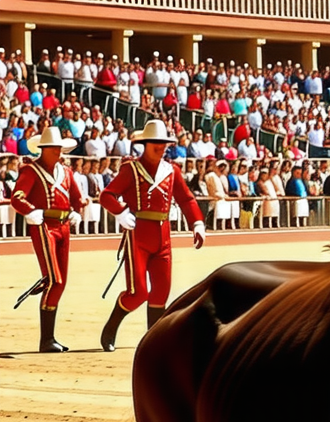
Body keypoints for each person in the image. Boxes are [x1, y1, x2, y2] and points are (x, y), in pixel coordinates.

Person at [98, 119, 206, 352]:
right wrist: (121, 212)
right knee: (138, 292)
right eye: (156, 142)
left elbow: (186, 198)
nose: (161, 146)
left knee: (161, 290)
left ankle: (152, 341)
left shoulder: (172, 170)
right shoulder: (131, 170)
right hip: (137, 236)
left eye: (164, 143)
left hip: (163, 236)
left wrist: (197, 222)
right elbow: (107, 195)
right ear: (144, 144)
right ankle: (111, 325)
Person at [8, 126, 85, 352]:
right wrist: (31, 211)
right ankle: (46, 339)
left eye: (59, 147)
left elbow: (77, 199)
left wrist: (76, 212)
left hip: (63, 227)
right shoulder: (31, 171)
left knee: (60, 282)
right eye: (54, 147)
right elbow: (17, 197)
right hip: (43, 226)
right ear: (44, 149)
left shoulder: (67, 173)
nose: (58, 151)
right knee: (56, 280)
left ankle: (49, 338)